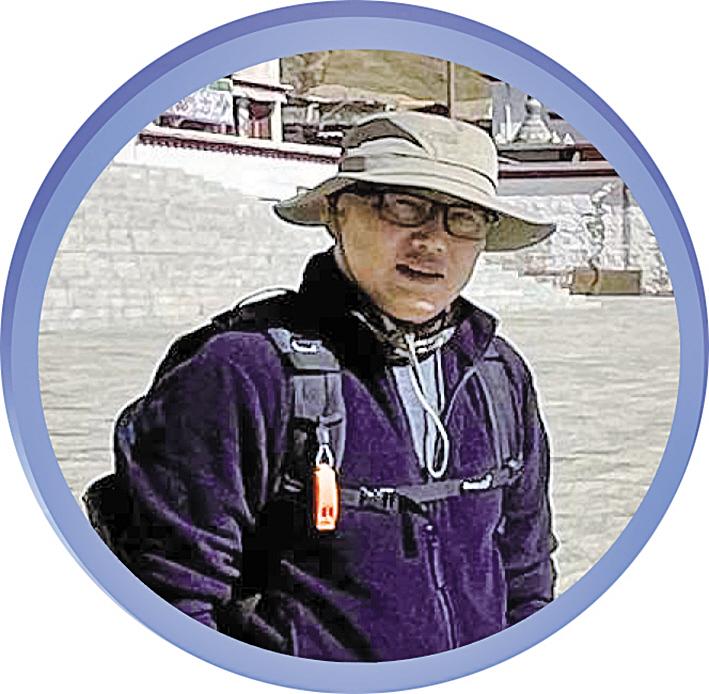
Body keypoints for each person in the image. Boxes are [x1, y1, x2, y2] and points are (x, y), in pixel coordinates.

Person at [88, 111, 557, 661]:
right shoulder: (243, 371)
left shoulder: (498, 374)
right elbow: (171, 596)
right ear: (337, 213)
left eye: (464, 218)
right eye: (404, 206)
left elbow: (526, 575)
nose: (433, 240)